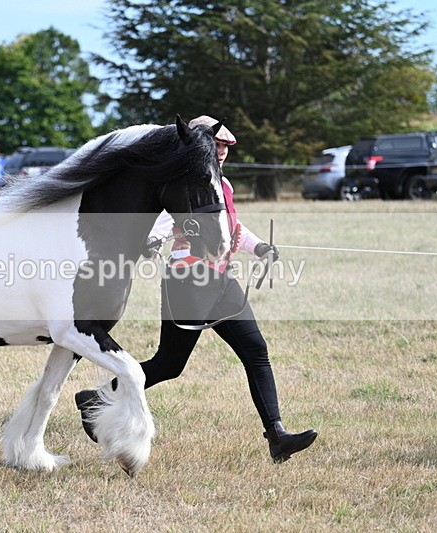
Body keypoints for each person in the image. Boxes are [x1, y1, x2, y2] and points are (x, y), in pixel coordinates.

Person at [75, 115, 317, 463]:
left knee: (256, 350)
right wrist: (154, 240)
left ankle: (277, 435)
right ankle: (99, 398)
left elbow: (231, 225)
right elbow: (157, 222)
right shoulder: (182, 184)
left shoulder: (221, 185)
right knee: (169, 364)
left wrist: (259, 246)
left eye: (225, 147)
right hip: (187, 283)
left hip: (221, 281)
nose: (220, 151)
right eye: (215, 145)